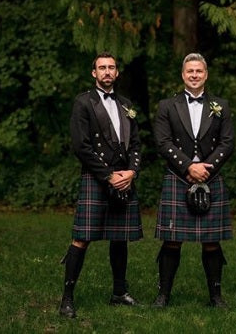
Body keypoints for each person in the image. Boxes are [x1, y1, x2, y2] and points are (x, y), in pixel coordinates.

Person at [59, 52, 143, 318]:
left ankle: (119, 292)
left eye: (111, 67)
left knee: (120, 237)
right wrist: (108, 175)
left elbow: (137, 145)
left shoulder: (127, 104)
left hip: (124, 177)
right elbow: (81, 147)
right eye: (102, 68)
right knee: (81, 238)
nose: (107, 72)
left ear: (117, 73)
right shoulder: (83, 102)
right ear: (93, 73)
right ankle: (67, 299)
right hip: (98, 177)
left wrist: (132, 171)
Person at [152, 53, 234, 308]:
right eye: (190, 71)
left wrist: (206, 168)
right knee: (172, 239)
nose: (195, 75)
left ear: (206, 75)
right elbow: (162, 142)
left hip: (211, 175)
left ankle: (216, 296)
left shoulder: (221, 105)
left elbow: (227, 142)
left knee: (211, 240)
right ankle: (163, 295)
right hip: (179, 176)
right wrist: (188, 166)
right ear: (183, 75)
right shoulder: (167, 105)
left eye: (199, 71)